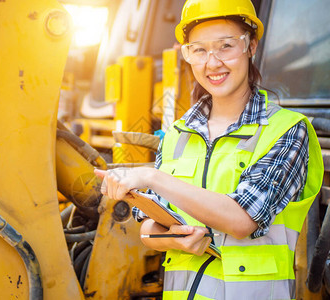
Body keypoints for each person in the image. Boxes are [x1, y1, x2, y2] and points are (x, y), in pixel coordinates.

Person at [95, 0, 324, 299]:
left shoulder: (287, 130)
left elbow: (242, 220)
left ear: (251, 46)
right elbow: (149, 229)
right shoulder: (178, 133)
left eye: (226, 46)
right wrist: (173, 240)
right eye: (199, 50)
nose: (212, 62)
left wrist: (150, 177)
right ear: (187, 55)